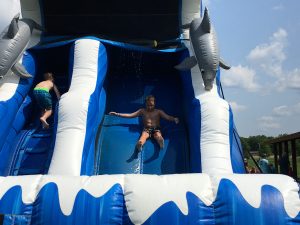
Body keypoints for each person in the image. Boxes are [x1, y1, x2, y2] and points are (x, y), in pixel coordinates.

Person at [109, 95, 179, 151]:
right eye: (148, 105)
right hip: (146, 129)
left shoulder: (158, 111)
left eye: (151, 105)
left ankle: (160, 142)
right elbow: (130, 115)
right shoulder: (142, 111)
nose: (150, 107)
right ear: (145, 104)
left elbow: (167, 117)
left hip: (156, 128)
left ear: (154, 104)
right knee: (143, 136)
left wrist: (174, 119)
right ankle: (140, 144)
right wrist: (117, 114)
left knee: (158, 135)